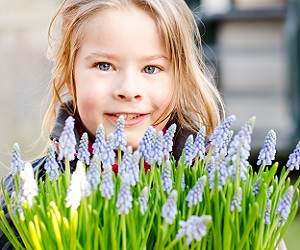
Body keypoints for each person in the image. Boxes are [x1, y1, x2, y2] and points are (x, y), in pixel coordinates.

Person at [0, 0, 285, 249]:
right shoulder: (27, 195)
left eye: (151, 68)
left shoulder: (218, 190)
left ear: (180, 78)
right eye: (104, 65)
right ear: (68, 72)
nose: (128, 89)